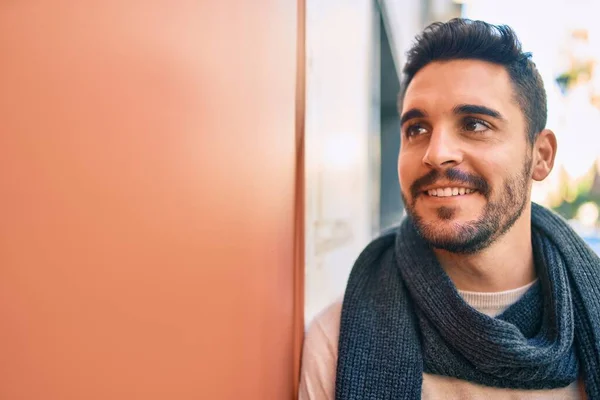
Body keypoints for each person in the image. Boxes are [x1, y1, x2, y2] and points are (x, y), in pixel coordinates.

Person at [299, 18, 600, 400]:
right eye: (417, 129)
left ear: (540, 156)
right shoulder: (337, 342)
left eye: (474, 124)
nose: (436, 153)